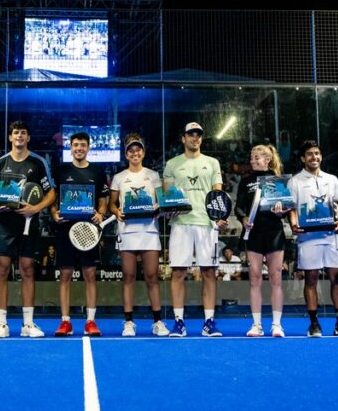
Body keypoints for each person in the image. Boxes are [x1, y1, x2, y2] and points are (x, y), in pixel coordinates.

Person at [0, 120, 56, 338]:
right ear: (10, 137)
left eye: (23, 133)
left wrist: (35, 208)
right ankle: (2, 324)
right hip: (3, 224)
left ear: (28, 138)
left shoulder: (38, 162)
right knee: (2, 269)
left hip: (28, 223)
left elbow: (51, 193)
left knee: (27, 269)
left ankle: (28, 324)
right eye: (16, 133)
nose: (19, 136)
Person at [287, 140, 338, 337]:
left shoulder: (331, 179)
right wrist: (293, 224)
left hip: (331, 236)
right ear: (303, 158)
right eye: (310, 154)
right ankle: (314, 324)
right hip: (308, 237)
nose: (314, 157)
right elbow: (292, 209)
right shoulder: (294, 181)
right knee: (311, 279)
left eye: (317, 153)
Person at [163, 122, 227, 337]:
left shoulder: (212, 163)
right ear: (183, 138)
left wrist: (219, 217)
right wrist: (169, 209)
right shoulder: (172, 164)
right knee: (178, 272)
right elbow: (167, 195)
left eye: (198, 135)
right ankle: (178, 323)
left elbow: (217, 194)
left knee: (209, 272)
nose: (195, 138)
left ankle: (209, 322)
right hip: (180, 224)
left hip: (207, 224)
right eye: (191, 134)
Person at [49, 132, 109, 337]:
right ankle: (65, 322)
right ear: (71, 147)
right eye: (75, 145)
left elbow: (103, 199)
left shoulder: (97, 171)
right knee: (65, 275)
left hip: (88, 231)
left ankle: (90, 321)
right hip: (65, 229)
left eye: (83, 145)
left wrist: (101, 214)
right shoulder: (60, 170)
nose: (79, 148)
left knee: (90, 275)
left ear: (88, 147)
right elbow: (52, 199)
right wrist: (54, 213)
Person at [110, 134, 170, 336]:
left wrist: (158, 208)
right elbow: (112, 204)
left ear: (143, 152)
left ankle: (158, 321)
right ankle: (128, 322)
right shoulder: (119, 178)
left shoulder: (153, 175)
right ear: (126, 154)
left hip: (149, 230)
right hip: (127, 231)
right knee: (128, 276)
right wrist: (117, 211)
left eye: (138, 150)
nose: (135, 153)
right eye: (131, 150)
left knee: (152, 276)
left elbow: (161, 201)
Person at [235, 144, 288, 337]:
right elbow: (239, 207)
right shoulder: (246, 181)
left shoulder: (278, 180)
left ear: (267, 159)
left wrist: (282, 211)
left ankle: (277, 325)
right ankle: (256, 325)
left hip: (274, 232)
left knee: (276, 278)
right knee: (255, 278)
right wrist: (243, 219)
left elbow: (285, 208)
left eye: (256, 157)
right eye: (251, 157)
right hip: (253, 233)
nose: (252, 160)